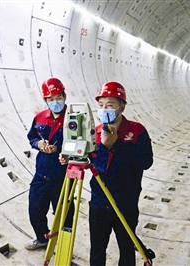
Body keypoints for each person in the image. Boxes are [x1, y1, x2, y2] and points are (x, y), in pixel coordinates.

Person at [60, 81, 153, 265]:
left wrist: (115, 145)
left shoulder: (136, 131)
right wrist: (69, 157)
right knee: (97, 250)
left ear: (122, 107)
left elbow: (145, 162)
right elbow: (88, 159)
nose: (104, 109)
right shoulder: (93, 132)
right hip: (99, 204)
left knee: (126, 250)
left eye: (110, 105)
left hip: (125, 203)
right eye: (101, 105)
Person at [25, 77, 74, 250]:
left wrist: (67, 154)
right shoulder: (39, 117)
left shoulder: (74, 118)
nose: (55, 102)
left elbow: (83, 145)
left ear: (65, 96)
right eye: (51, 99)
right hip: (41, 172)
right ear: (45, 100)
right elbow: (32, 137)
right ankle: (42, 238)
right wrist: (38, 144)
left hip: (63, 174)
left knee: (64, 213)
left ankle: (64, 247)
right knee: (35, 209)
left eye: (58, 97)